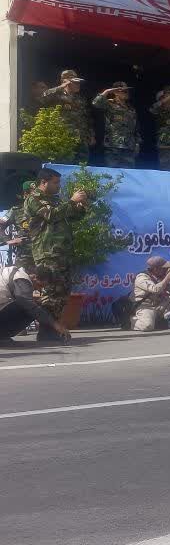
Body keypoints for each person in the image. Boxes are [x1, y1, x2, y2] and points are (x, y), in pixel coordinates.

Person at [19, 167, 88, 339]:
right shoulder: (34, 199)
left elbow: (72, 216)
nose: (59, 186)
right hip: (47, 252)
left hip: (61, 252)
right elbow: (51, 215)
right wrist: (72, 201)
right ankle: (46, 330)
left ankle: (52, 327)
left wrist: (81, 205)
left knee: (62, 292)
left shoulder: (55, 200)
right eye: (55, 182)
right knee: (51, 291)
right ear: (43, 182)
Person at [0, 264, 70, 345]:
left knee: (32, 306)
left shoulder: (14, 272)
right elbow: (28, 305)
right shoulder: (22, 279)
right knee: (31, 309)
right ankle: (2, 335)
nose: (39, 289)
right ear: (34, 277)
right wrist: (56, 325)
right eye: (40, 285)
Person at [40, 70, 94, 161]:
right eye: (75, 83)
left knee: (82, 165)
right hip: (64, 137)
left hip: (81, 137)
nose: (78, 85)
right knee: (65, 162)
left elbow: (87, 117)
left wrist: (91, 134)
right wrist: (61, 87)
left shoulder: (80, 99)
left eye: (79, 83)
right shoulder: (57, 96)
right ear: (66, 82)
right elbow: (43, 98)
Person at [129, 257, 170, 331]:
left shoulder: (159, 276)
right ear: (156, 269)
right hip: (145, 307)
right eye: (164, 268)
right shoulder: (141, 277)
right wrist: (169, 276)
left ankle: (159, 319)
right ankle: (131, 321)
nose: (166, 270)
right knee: (147, 326)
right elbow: (156, 289)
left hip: (157, 305)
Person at [92, 81, 140, 168]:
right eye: (124, 91)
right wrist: (107, 91)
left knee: (128, 174)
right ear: (116, 92)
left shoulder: (131, 109)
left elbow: (135, 127)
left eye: (127, 91)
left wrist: (137, 143)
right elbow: (96, 103)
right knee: (113, 173)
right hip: (113, 145)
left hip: (129, 146)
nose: (127, 93)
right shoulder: (109, 104)